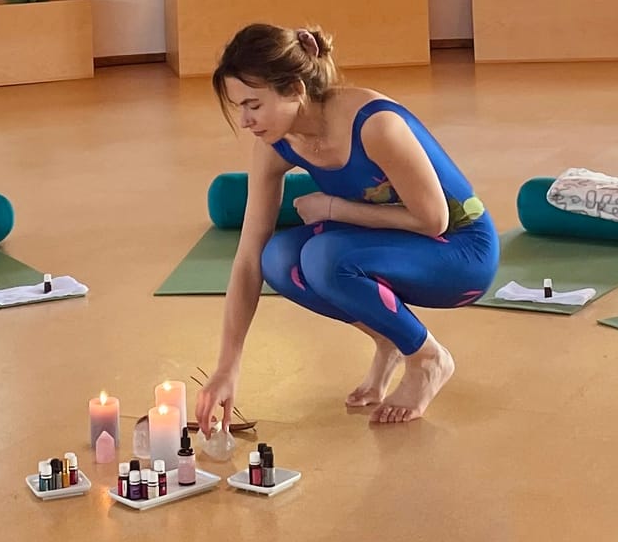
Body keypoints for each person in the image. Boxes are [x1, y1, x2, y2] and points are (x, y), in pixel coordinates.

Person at [194, 22, 496, 430]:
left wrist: (334, 207)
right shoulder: (275, 145)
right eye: (239, 108)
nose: (246, 120)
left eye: (254, 105)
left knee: (324, 257)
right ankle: (389, 338)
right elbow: (248, 257)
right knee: (278, 258)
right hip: (393, 241)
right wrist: (227, 367)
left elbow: (433, 220)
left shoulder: (374, 125)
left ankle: (428, 359)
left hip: (461, 253)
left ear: (296, 89)